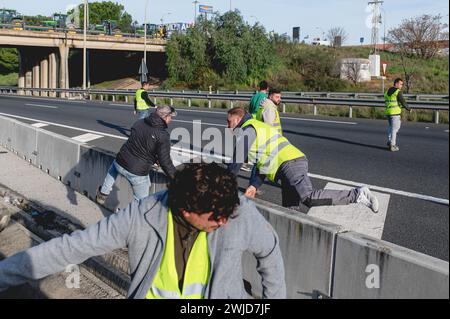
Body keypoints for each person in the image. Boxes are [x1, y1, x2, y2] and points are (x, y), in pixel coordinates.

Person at [0, 163, 286, 299]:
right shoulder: (141, 216)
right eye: (216, 218)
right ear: (186, 210)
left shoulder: (238, 210)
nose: (225, 222)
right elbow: (71, 248)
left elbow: (270, 252)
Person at [226, 107, 379, 213]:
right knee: (290, 211)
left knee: (308, 197)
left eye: (229, 122)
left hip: (289, 163)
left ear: (238, 119)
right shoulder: (255, 127)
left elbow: (236, 162)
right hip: (285, 165)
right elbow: (264, 161)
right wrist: (254, 185)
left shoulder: (248, 129)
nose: (227, 126)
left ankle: (358, 194)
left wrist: (223, 185)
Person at [96, 105, 177, 203]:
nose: (171, 119)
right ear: (164, 117)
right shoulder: (163, 135)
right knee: (140, 204)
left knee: (114, 167)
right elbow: (165, 162)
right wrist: (177, 177)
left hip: (119, 161)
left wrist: (155, 159)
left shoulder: (139, 122)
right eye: (170, 117)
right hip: (136, 172)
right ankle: (132, 217)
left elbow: (139, 144)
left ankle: (103, 192)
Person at [384, 78, 411, 152]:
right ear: (396, 83)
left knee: (391, 128)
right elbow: (403, 102)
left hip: (388, 112)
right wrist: (409, 109)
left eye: (402, 84)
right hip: (395, 113)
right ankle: (393, 145)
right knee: (395, 128)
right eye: (400, 84)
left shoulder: (387, 91)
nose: (401, 85)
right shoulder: (397, 92)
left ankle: (390, 141)